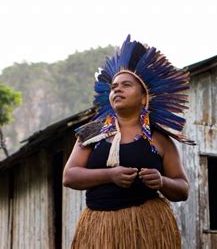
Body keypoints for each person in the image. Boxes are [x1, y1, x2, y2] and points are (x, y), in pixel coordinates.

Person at [63, 35, 194, 249]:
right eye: (114, 87)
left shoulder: (158, 138)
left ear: (144, 97)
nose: (117, 90)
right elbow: (69, 176)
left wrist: (161, 181)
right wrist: (110, 175)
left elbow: (182, 188)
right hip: (99, 228)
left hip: (147, 227)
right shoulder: (93, 132)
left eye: (126, 85)